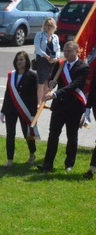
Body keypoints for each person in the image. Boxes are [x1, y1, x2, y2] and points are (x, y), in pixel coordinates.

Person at [38, 41, 89, 173]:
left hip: (74, 107)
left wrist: (55, 93)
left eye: (69, 51)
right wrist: (51, 83)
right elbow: (51, 79)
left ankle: (69, 164)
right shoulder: (60, 64)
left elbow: (74, 85)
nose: (66, 53)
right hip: (59, 106)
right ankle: (47, 164)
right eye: (65, 51)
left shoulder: (83, 67)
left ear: (77, 51)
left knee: (71, 136)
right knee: (53, 135)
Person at [0, 51, 38, 167]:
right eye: (18, 60)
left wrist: (32, 114)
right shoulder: (12, 75)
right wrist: (3, 110)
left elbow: (33, 96)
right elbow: (8, 93)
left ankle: (32, 153)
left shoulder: (32, 75)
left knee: (27, 133)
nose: (20, 62)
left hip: (25, 110)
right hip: (11, 109)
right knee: (10, 133)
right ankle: (10, 159)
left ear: (26, 61)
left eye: (22, 59)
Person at [33, 17, 61, 103]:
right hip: (42, 60)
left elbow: (58, 49)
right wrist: (46, 56)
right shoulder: (39, 35)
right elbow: (37, 48)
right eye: (47, 25)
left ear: (54, 27)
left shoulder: (55, 37)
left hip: (52, 61)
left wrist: (56, 57)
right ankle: (39, 102)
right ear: (44, 26)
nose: (49, 27)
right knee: (41, 82)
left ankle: (44, 101)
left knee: (47, 82)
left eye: (51, 25)